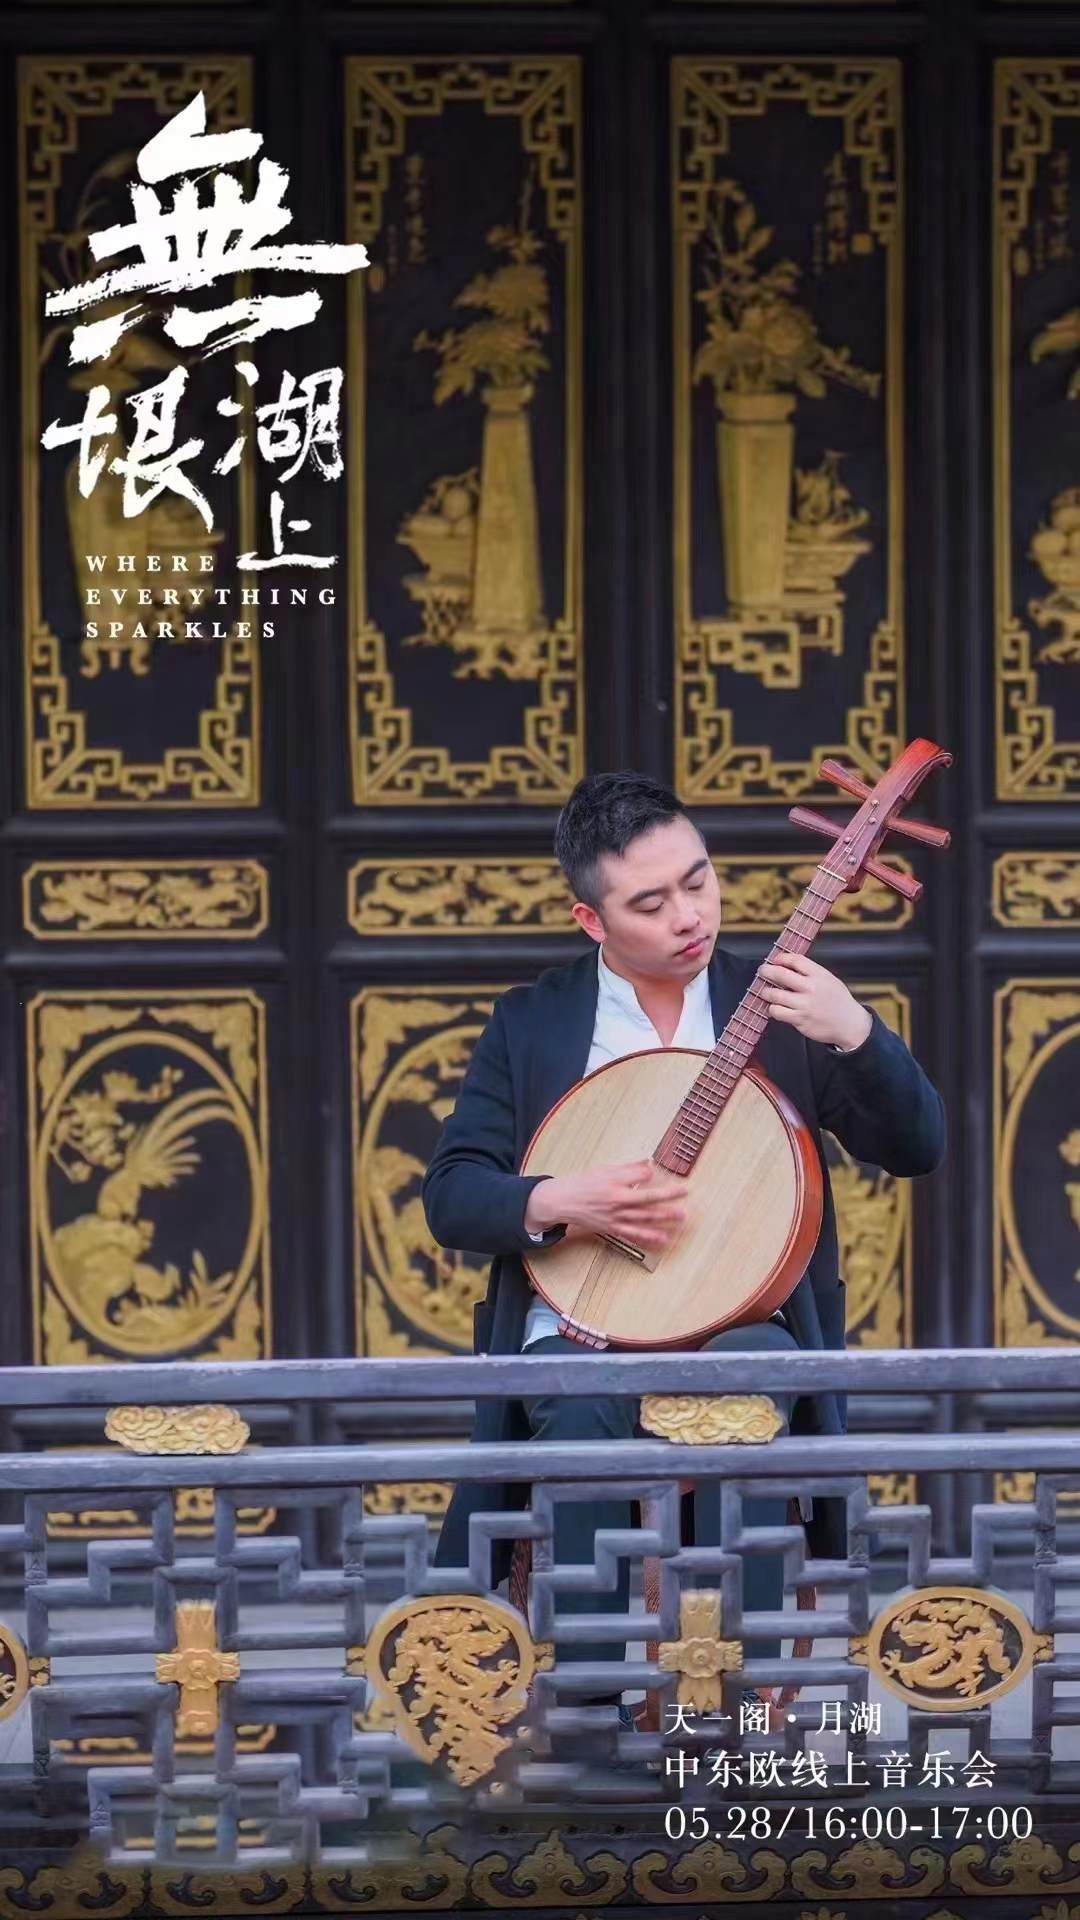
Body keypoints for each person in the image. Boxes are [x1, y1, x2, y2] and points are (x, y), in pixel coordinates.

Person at [423, 771, 946, 1704]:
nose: (688, 916)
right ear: (591, 920)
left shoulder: (778, 1002)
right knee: (578, 1404)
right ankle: (589, 1713)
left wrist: (856, 1032)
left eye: (698, 881)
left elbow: (918, 1148)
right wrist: (564, 1197)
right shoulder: (532, 1022)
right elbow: (453, 1195)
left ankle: (734, 1699)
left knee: (748, 1377)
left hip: (737, 1320)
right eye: (650, 902)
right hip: (582, 1323)